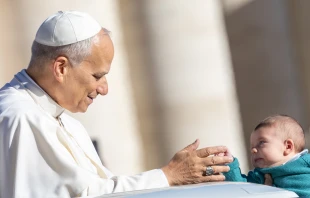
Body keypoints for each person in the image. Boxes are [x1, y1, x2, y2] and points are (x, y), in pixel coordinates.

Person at [0, 11, 233, 197]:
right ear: (61, 68)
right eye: (97, 76)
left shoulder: (63, 121)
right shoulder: (20, 116)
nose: (104, 89)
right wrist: (167, 175)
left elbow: (101, 189)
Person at [223, 114, 310, 197]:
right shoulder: (261, 175)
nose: (253, 150)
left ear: (288, 146)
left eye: (261, 142)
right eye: (252, 147)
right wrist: (229, 163)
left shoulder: (305, 162)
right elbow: (240, 185)